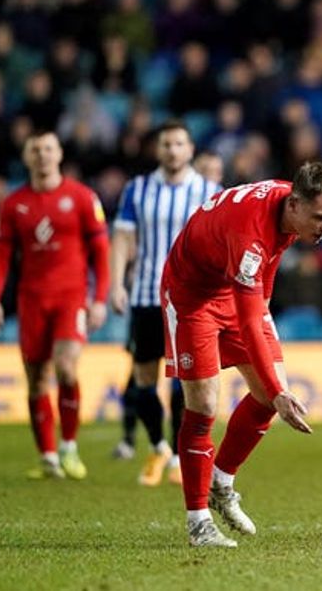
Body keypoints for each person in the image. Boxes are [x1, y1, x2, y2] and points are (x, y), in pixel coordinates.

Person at [161, 161, 322, 547]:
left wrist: (275, 388)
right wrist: (278, 390)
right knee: (204, 406)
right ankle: (198, 522)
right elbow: (249, 323)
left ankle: (221, 480)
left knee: (267, 395)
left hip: (236, 286)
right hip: (191, 296)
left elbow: (270, 265)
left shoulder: (291, 207)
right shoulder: (252, 236)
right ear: (295, 205)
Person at [0, 130, 110, 479]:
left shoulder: (82, 197)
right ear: (27, 157)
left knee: (66, 368)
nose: (42, 155)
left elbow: (101, 252)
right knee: (37, 380)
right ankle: (48, 458)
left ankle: (69, 446)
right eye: (35, 150)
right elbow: (1, 255)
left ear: (59, 154)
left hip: (71, 297)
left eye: (48, 148)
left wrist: (99, 299)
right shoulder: (14, 204)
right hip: (31, 300)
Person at [109, 120, 222, 486]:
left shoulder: (210, 191)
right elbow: (123, 240)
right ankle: (158, 446)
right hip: (145, 293)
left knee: (181, 382)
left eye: (179, 144)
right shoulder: (137, 189)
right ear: (158, 150)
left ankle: (175, 456)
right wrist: (115, 284)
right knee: (143, 381)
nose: (172, 150)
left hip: (189, 300)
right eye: (166, 144)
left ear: (190, 150)